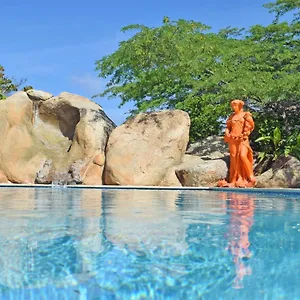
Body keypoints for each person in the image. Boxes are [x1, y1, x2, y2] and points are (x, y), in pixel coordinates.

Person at [218, 99, 256, 188]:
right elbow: (228, 127)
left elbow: (251, 126)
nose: (233, 107)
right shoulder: (232, 117)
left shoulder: (246, 115)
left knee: (242, 156)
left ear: (240, 106)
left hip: (242, 139)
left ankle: (251, 178)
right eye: (232, 105)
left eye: (235, 105)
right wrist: (227, 132)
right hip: (233, 140)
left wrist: (245, 134)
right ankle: (234, 179)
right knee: (234, 159)